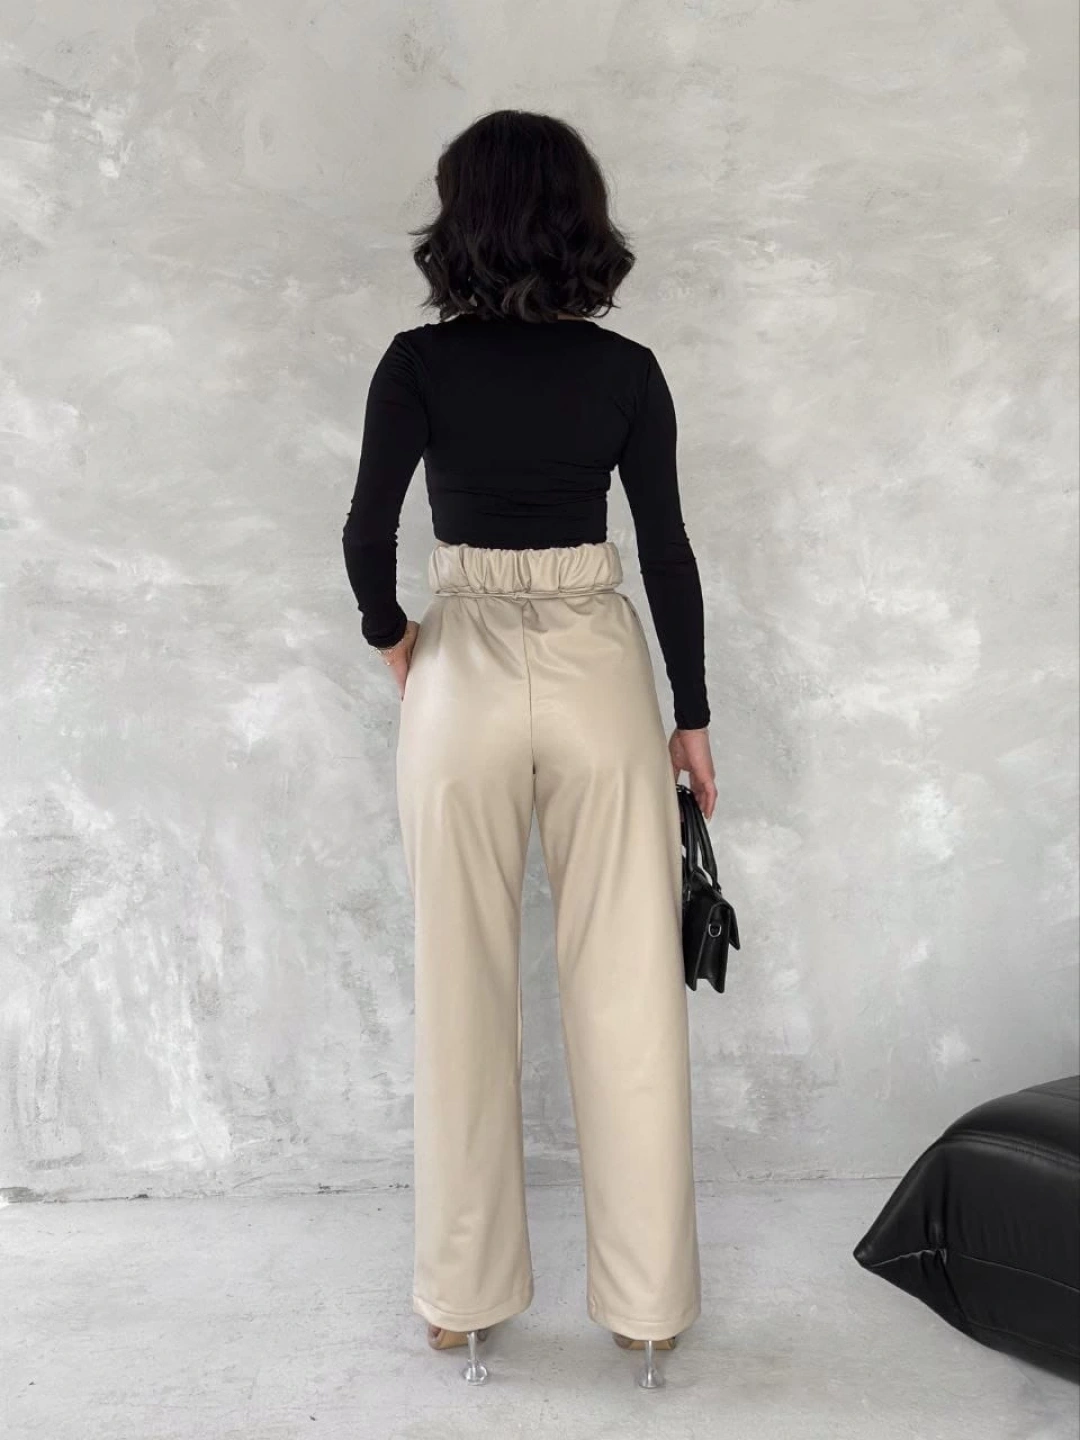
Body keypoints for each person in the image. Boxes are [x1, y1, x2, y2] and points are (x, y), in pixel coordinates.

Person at [341, 109, 717, 1388]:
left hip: (462, 668)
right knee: (628, 982)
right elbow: (666, 550)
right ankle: (649, 1308)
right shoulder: (628, 371)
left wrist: (398, 639)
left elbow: (365, 536)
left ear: (462, 220)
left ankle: (461, 1300)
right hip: (600, 662)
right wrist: (690, 716)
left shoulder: (415, 364)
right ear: (578, 219)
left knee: (462, 981)